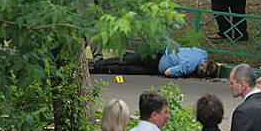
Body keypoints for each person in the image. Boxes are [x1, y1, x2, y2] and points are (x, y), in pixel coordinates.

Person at [90, 46, 218, 78]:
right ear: (202, 65)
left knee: (126, 68)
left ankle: (98, 68)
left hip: (156, 65)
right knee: (125, 62)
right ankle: (95, 66)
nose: (200, 74)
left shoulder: (203, 54)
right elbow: (168, 72)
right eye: (202, 72)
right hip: (156, 57)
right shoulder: (190, 65)